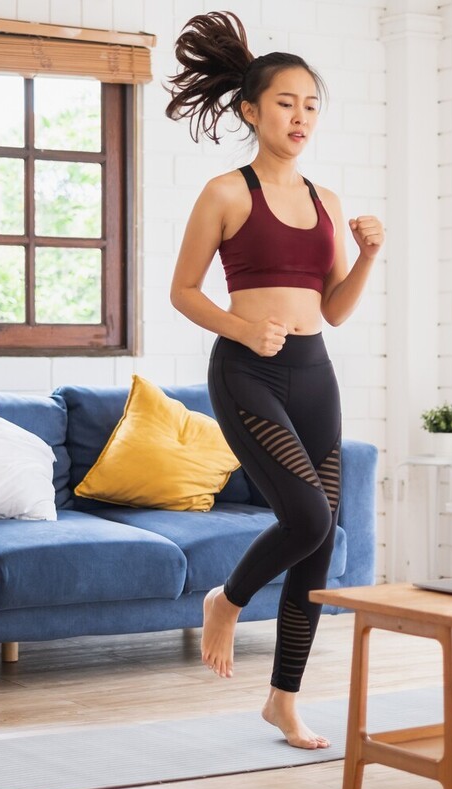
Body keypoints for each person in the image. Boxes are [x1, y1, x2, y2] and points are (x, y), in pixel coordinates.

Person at [166, 11, 383, 750]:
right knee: (310, 517)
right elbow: (183, 291)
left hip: (314, 372)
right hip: (246, 372)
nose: (300, 117)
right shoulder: (226, 193)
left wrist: (367, 257)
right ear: (250, 112)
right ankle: (225, 601)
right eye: (286, 103)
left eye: (311, 105)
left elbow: (334, 310)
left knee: (317, 545)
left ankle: (282, 701)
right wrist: (239, 328)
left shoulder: (326, 202)